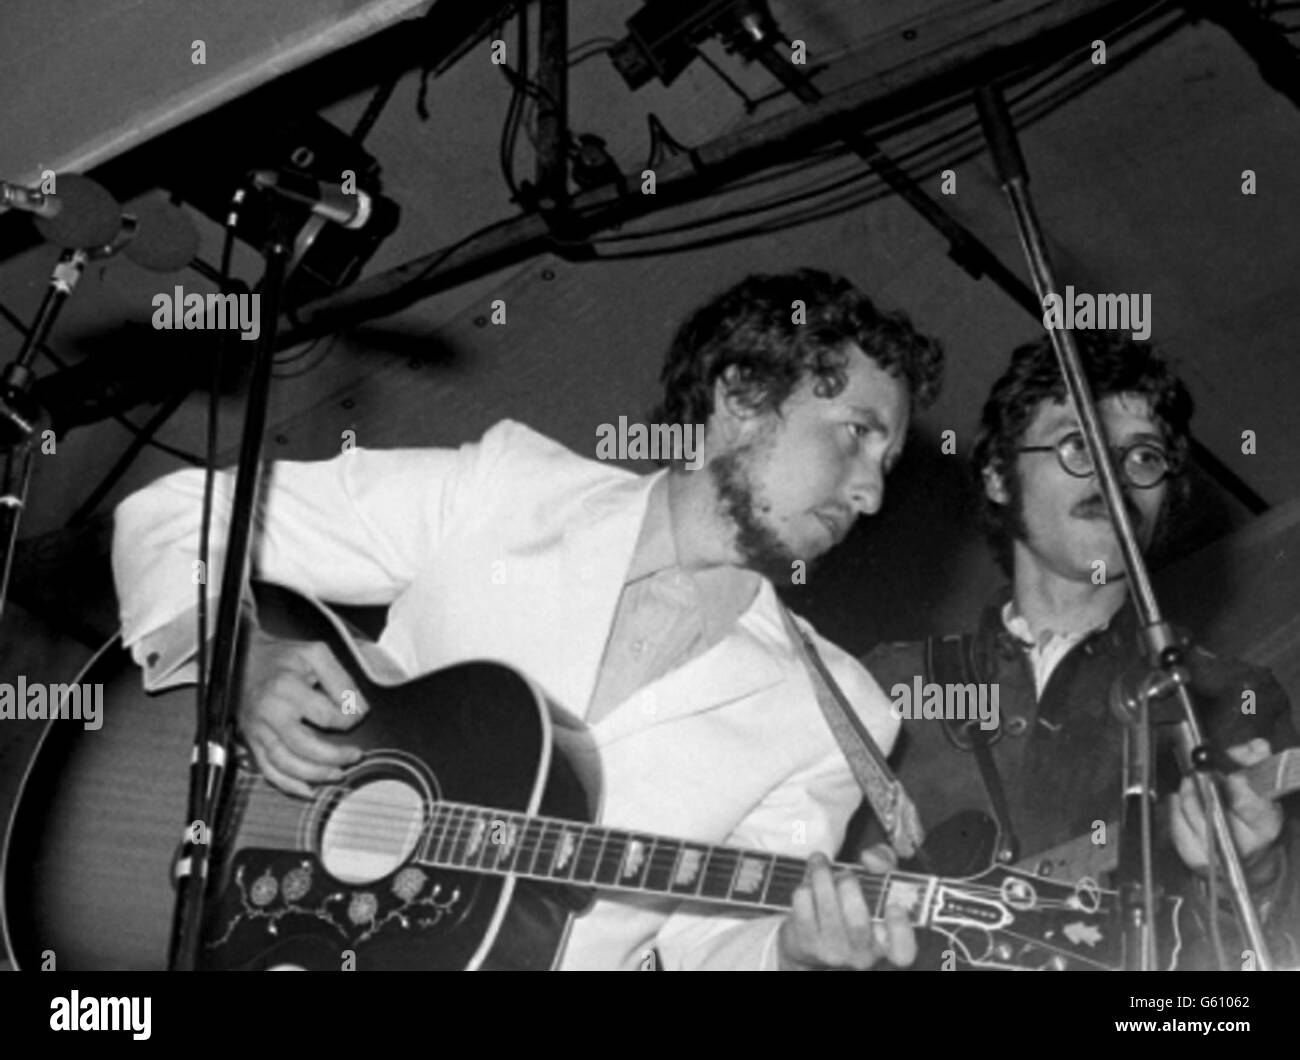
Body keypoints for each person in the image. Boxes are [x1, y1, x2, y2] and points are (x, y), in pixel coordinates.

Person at [111, 267, 944, 970]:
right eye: (855, 435)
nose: (871, 493)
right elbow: (179, 516)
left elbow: (712, 946)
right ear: (742, 398)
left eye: (887, 463)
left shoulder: (841, 711)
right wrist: (240, 658)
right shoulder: (506, 488)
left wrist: (794, 955)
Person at [862, 331, 1299, 970]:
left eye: (1144, 458)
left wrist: (1252, 873)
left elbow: (1234, 999)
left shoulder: (1225, 698)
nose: (1114, 478)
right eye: (1076, 446)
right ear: (997, 475)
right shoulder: (885, 680)